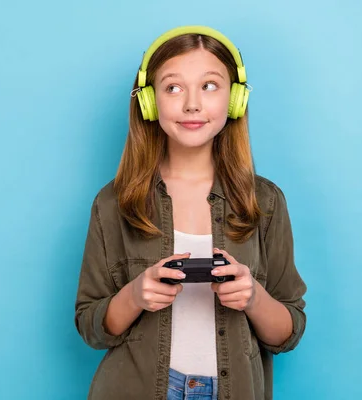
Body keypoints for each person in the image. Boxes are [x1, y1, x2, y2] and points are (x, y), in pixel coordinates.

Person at [74, 25, 307, 400]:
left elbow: (288, 332)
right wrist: (135, 295)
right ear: (149, 103)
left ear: (234, 100)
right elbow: (90, 326)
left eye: (210, 86)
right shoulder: (113, 203)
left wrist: (253, 298)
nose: (192, 104)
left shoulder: (265, 202)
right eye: (173, 87)